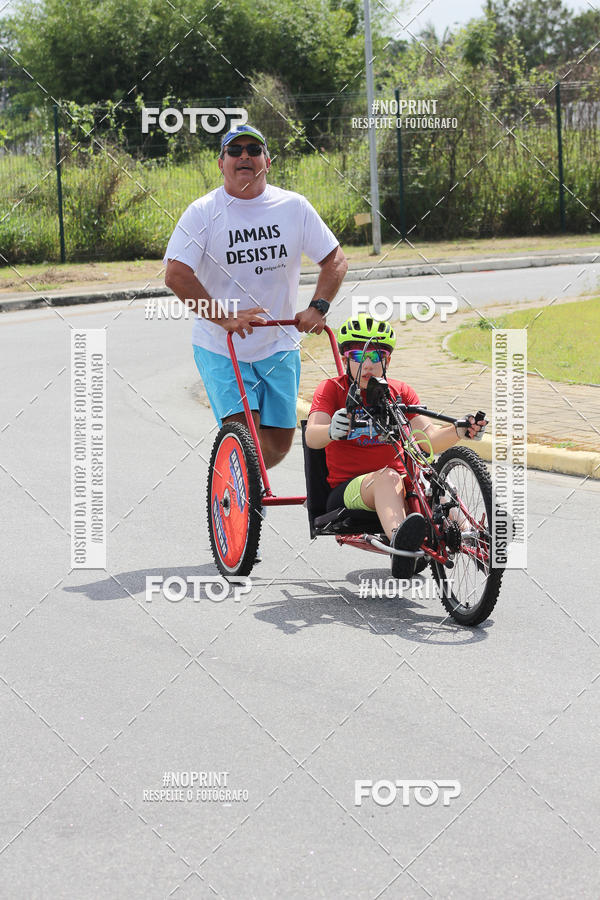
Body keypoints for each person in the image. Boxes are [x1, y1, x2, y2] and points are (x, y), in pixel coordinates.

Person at [164, 123, 347, 470]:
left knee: (278, 447)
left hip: (279, 343)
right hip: (222, 344)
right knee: (243, 437)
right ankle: (236, 499)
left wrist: (317, 307)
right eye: (235, 151)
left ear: (267, 161)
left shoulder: (293, 207)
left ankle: (242, 479)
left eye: (253, 150)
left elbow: (335, 260)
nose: (244, 156)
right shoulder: (202, 212)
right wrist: (225, 319)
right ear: (221, 163)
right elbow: (176, 274)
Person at [305, 314, 487, 579]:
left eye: (375, 357)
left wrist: (459, 431)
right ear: (346, 360)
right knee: (389, 478)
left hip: (403, 485)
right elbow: (312, 435)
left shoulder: (400, 392)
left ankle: (477, 540)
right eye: (358, 356)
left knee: (433, 484)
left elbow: (429, 438)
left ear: (387, 361)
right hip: (350, 489)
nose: (367, 365)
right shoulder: (331, 389)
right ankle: (400, 544)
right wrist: (332, 430)